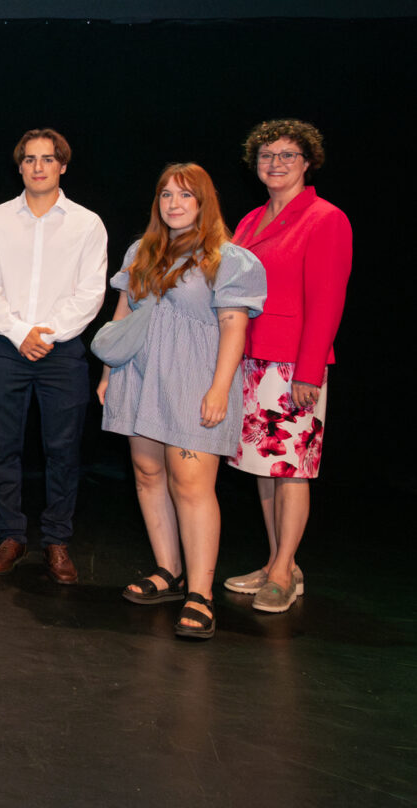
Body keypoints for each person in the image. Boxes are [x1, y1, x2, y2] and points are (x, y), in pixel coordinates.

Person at [98, 164, 265, 639]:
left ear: (203, 203)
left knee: (191, 485)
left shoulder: (230, 259)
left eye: (185, 196)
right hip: (140, 375)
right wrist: (109, 371)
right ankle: (168, 571)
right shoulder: (141, 250)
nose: (174, 203)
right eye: (166, 194)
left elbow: (235, 326)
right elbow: (123, 313)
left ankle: (201, 593)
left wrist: (218, 388)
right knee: (149, 473)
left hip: (194, 380)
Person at [222, 119, 351, 614]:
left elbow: (327, 301)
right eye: (266, 156)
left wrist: (308, 370)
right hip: (251, 360)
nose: (275, 164)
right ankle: (279, 560)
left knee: (292, 470)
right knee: (264, 465)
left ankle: (284, 571)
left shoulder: (325, 218)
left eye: (286, 155)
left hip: (292, 365)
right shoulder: (253, 219)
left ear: (307, 162)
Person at [0, 128, 107, 584]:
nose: (38, 166)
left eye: (47, 159)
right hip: (6, 349)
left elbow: (91, 292)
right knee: (3, 447)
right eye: (29, 159)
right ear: (20, 166)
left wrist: (47, 335)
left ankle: (56, 539)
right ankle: (11, 535)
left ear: (62, 166)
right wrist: (18, 333)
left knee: (62, 450)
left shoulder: (87, 223)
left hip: (63, 350)